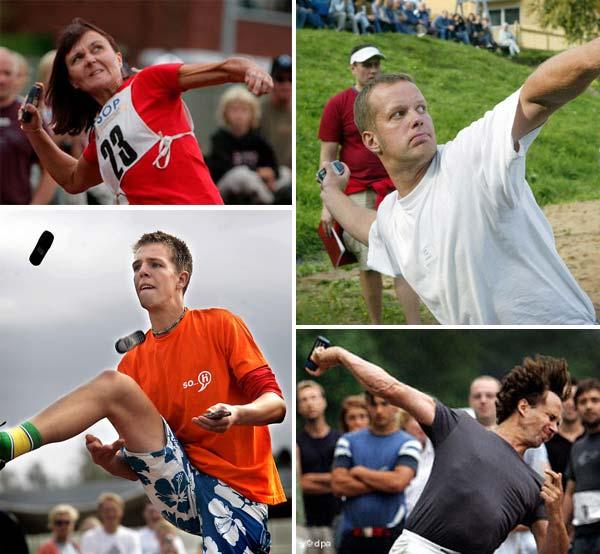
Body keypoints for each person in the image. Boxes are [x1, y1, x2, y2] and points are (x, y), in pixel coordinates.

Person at [0, 231, 287, 553]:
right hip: (179, 489)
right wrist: (112, 463)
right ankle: (9, 444)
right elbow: (146, 461)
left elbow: (276, 405)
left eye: (154, 264)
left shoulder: (220, 324)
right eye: (136, 267)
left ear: (181, 279)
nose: (142, 273)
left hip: (239, 491)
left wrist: (238, 413)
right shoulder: (133, 363)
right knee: (113, 383)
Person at [319, 38, 600, 324]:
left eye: (421, 109)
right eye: (398, 114)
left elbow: (535, 97)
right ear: (371, 140)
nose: (417, 119)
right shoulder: (393, 217)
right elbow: (365, 225)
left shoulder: (467, 158)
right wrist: (330, 191)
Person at [306, 344, 570, 553]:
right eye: (550, 417)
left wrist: (556, 516)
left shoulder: (537, 488)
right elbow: (390, 388)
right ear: (524, 407)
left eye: (558, 422)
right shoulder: (458, 425)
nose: (554, 427)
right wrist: (340, 355)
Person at [20, 18, 273, 205]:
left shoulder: (148, 80)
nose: (90, 59)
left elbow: (226, 68)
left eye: (97, 48)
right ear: (74, 81)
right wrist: (34, 132)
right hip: (151, 236)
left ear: (118, 59)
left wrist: (252, 70)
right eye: (77, 58)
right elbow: (73, 180)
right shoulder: (101, 129)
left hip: (198, 217)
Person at [318, 44, 421, 324]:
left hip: (397, 188)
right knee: (369, 261)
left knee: (404, 261)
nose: (373, 69)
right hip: (358, 191)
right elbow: (327, 156)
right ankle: (376, 322)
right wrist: (329, 202)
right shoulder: (338, 104)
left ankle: (414, 323)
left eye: (376, 63)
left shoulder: (391, 102)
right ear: (352, 68)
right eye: (366, 65)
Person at [333, 392, 421, 553]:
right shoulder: (347, 440)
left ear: (395, 406)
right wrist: (384, 479)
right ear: (367, 405)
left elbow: (398, 482)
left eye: (384, 404)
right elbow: (338, 485)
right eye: (374, 404)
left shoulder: (410, 443)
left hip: (391, 535)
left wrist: (360, 472)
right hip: (352, 536)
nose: (379, 411)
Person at [0, 47, 57, 204]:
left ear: (17, 76)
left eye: (7, 73)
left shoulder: (27, 114)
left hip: (16, 217)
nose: (2, 79)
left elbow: (51, 169)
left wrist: (34, 209)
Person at [207, 85, 279, 204]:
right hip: (225, 190)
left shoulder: (258, 139)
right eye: (234, 110)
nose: (239, 115)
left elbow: (273, 166)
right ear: (225, 113)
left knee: (286, 174)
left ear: (252, 114)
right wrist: (258, 171)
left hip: (258, 186)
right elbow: (223, 169)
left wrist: (271, 173)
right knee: (241, 175)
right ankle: (270, 202)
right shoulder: (219, 139)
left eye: (244, 110)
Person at [297, 380, 341, 554]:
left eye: (314, 397)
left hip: (336, 522)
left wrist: (309, 479)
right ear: (299, 407)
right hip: (307, 525)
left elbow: (344, 481)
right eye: (304, 400)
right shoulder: (297, 443)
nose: (310, 403)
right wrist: (332, 480)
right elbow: (299, 484)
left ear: (324, 401)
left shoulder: (341, 439)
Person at [563, 378, 600, 553]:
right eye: (583, 401)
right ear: (576, 407)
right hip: (581, 536)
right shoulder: (577, 447)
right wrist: (561, 529)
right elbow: (570, 492)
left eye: (595, 400)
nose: (589, 406)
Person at [546, 380, 584, 481]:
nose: (570, 404)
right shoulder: (546, 439)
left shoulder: (594, 438)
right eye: (565, 398)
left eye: (575, 398)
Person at [401, 413, 433, 517]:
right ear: (404, 423)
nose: (423, 424)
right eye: (417, 419)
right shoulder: (395, 451)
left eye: (426, 419)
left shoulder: (440, 450)